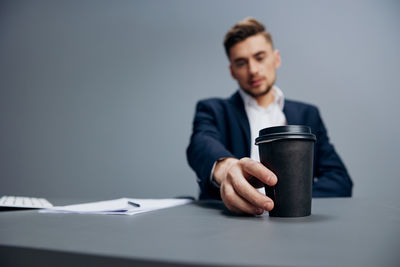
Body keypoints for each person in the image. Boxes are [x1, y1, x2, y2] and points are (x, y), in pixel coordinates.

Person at [186, 17, 353, 215]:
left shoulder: (307, 114)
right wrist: (227, 169)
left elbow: (339, 179)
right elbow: (201, 144)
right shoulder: (213, 109)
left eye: (260, 57)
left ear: (276, 59)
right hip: (234, 224)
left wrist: (290, 201)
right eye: (241, 63)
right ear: (232, 71)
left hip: (295, 224)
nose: (253, 70)